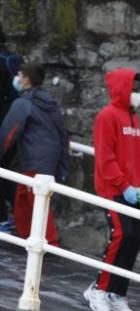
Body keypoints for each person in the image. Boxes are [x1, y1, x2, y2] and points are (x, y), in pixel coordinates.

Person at [84, 67, 140, 311]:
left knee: (133, 240)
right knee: (120, 235)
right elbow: (106, 158)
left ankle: (118, 292)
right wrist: (123, 185)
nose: (137, 94)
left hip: (134, 191)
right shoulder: (108, 116)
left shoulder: (133, 118)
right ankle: (99, 289)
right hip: (114, 190)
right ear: (122, 89)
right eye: (133, 88)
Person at [0, 62, 68, 244]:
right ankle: (25, 238)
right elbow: (62, 133)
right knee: (23, 200)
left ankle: (50, 243)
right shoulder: (50, 102)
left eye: (20, 75)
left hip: (34, 161)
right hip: (48, 160)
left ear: (27, 79)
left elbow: (9, 132)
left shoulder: (23, 103)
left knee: (35, 202)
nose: (17, 78)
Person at [0, 43, 22, 231]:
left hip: (4, 123)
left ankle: (3, 219)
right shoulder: (13, 58)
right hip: (13, 124)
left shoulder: (3, 61)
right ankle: (17, 214)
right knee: (6, 170)